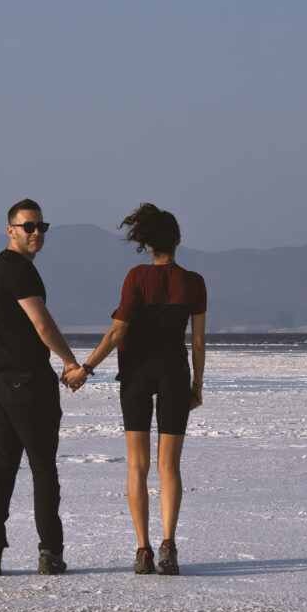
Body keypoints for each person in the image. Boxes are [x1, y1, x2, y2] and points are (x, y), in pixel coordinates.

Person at [69, 202, 206, 576]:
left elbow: (117, 332)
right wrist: (197, 384)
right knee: (169, 466)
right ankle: (169, 546)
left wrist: (86, 369)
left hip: (136, 377)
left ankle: (143, 549)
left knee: (137, 465)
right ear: (178, 240)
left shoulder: (136, 278)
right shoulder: (194, 282)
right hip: (175, 375)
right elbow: (197, 340)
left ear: (147, 244)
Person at [0, 199, 85, 576]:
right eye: (28, 227)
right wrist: (71, 362)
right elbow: (43, 324)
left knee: (1, 470)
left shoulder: (0, 269)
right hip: (26, 383)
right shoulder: (19, 271)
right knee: (41, 469)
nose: (36, 233)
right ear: (11, 230)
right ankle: (50, 553)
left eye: (42, 227)